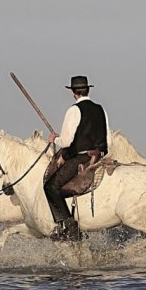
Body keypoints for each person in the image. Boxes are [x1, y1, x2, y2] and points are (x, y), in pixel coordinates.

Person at [44, 75, 112, 241]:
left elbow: (67, 142)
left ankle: (70, 227)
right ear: (87, 90)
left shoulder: (74, 110)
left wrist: (54, 140)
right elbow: (109, 140)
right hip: (100, 157)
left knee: (50, 187)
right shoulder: (100, 109)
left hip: (82, 159)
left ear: (73, 93)